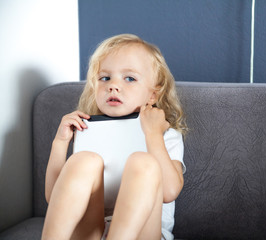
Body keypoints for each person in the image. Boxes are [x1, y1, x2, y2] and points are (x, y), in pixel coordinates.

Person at [41, 34, 187, 240]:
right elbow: (54, 197)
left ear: (153, 95)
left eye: (130, 78)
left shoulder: (164, 133)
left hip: (143, 233)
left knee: (143, 162)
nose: (113, 85)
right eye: (105, 78)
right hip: (93, 231)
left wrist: (153, 134)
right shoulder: (87, 130)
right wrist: (60, 143)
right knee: (84, 160)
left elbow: (169, 191)